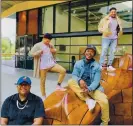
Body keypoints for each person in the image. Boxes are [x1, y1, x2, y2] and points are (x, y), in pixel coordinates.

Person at [68, 45, 110, 125]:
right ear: (85, 52)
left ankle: (105, 123)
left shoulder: (97, 66)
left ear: (94, 54)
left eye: (92, 52)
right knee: (70, 81)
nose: (89, 53)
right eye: (88, 51)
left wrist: (89, 89)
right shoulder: (78, 63)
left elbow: (96, 81)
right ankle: (88, 99)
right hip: (81, 86)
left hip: (93, 88)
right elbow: (74, 75)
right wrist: (79, 80)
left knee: (104, 101)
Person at [29, 33, 66, 100]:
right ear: (43, 38)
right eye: (47, 41)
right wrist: (38, 53)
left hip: (52, 64)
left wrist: (54, 51)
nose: (48, 42)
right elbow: (30, 54)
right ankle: (43, 96)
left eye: (49, 41)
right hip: (43, 67)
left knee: (63, 70)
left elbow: (55, 50)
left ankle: (58, 85)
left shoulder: (50, 45)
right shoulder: (37, 45)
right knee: (42, 82)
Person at [98, 7, 123, 71]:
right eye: (112, 12)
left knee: (113, 51)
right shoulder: (105, 19)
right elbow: (99, 29)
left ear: (116, 13)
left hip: (114, 38)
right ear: (110, 12)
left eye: (115, 12)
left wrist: (119, 35)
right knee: (104, 50)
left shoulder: (118, 20)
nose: (113, 13)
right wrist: (105, 31)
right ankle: (100, 65)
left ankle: (109, 65)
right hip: (106, 37)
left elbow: (119, 29)